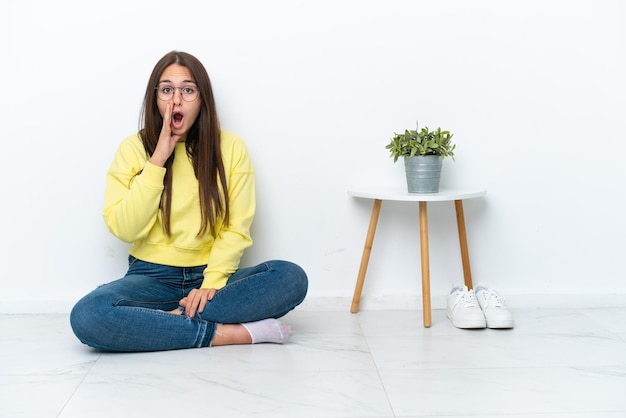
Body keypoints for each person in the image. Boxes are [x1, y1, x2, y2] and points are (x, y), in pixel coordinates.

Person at [70, 51, 308, 352]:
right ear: (155, 97)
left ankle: (161, 322)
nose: (176, 101)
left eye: (188, 90)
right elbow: (124, 229)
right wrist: (158, 159)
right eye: (167, 89)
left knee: (290, 278)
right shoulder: (133, 149)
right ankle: (232, 334)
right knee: (89, 315)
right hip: (150, 276)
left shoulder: (230, 147)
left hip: (213, 276)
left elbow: (237, 227)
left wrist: (211, 283)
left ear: (202, 98)